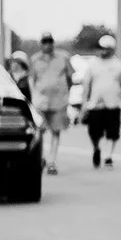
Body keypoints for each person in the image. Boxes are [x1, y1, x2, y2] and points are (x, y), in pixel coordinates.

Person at [29, 31, 74, 174]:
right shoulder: (35, 59)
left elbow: (70, 77)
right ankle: (41, 157)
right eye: (45, 42)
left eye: (50, 42)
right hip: (40, 101)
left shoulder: (63, 57)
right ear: (41, 43)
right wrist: (33, 96)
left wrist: (66, 93)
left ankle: (51, 161)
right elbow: (32, 80)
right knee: (40, 130)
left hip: (59, 100)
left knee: (56, 131)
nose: (47, 45)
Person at [82, 47, 121, 170]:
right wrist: (84, 104)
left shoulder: (118, 64)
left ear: (111, 49)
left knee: (113, 132)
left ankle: (108, 156)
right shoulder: (92, 64)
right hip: (95, 105)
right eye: (101, 48)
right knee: (94, 132)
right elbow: (86, 85)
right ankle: (97, 148)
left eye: (106, 48)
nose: (103, 51)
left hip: (113, 104)